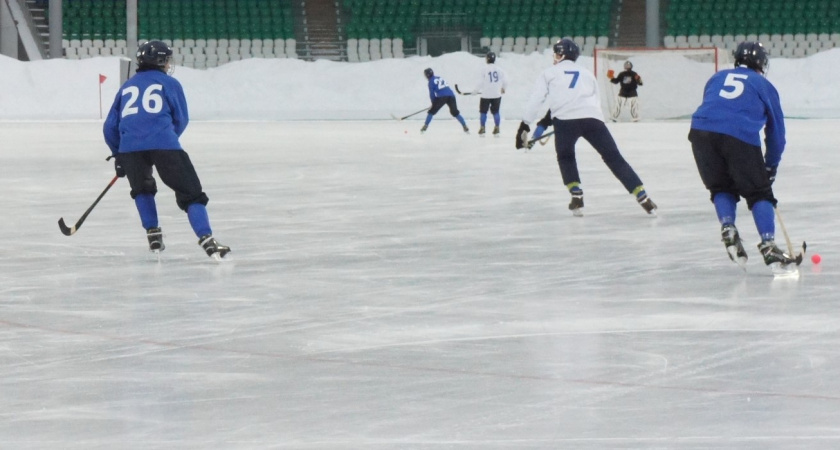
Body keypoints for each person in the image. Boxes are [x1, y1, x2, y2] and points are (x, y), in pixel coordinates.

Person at [103, 40, 230, 259]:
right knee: (191, 194)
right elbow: (181, 119)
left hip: (130, 148)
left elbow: (109, 127)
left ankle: (153, 236)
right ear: (161, 60)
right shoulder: (170, 84)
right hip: (165, 144)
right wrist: (166, 137)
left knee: (142, 189)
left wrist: (119, 154)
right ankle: (207, 240)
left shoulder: (126, 86)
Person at [516, 38, 657, 217]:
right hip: (593, 119)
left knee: (566, 157)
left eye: (558, 53)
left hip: (565, 121)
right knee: (614, 158)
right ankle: (642, 195)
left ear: (563, 55)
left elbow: (537, 100)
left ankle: (576, 193)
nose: (555, 57)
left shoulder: (549, 73)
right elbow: (594, 101)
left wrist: (525, 125)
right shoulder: (587, 73)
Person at [688, 41, 796, 272]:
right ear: (761, 63)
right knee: (759, 193)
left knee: (721, 188)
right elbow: (776, 133)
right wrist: (770, 166)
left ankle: (728, 227)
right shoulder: (764, 84)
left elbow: (714, 105)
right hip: (738, 133)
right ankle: (768, 245)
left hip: (699, 131)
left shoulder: (717, 77)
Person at [421, 68, 469, 134]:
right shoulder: (439, 77)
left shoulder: (430, 82)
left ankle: (425, 126)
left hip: (442, 96)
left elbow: (432, 94)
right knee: (455, 112)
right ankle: (464, 125)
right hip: (451, 95)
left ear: (427, 75)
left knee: (431, 112)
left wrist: (433, 103)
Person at [472, 51, 508, 136]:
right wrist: (503, 88)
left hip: (486, 94)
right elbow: (505, 80)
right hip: (496, 94)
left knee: (483, 112)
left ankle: (482, 127)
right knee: (496, 112)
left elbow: (481, 82)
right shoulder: (499, 69)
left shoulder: (484, 69)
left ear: (487, 59)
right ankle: (497, 127)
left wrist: (475, 91)